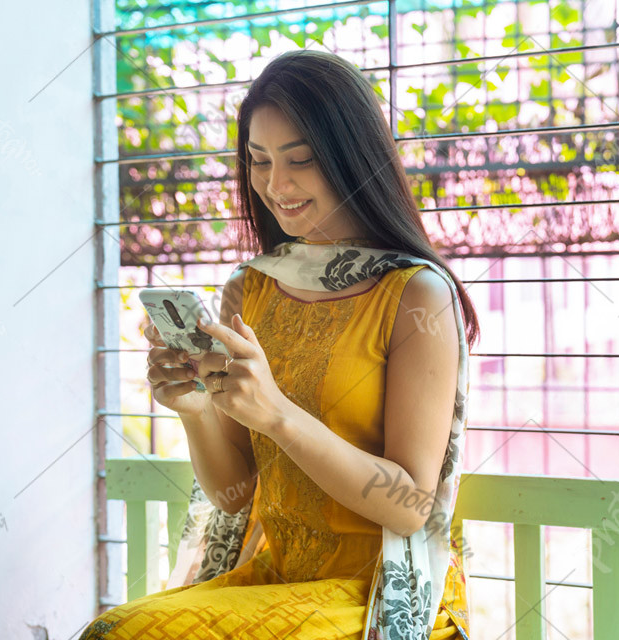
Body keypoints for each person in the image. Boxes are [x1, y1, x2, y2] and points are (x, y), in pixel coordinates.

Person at [80, 49, 480, 639]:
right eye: (259, 161)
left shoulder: (416, 296)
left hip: (373, 591)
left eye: (301, 160)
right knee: (113, 630)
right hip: (270, 577)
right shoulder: (251, 288)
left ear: (352, 159)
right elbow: (234, 493)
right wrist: (195, 408)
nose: (275, 184)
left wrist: (279, 417)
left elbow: (414, 507)